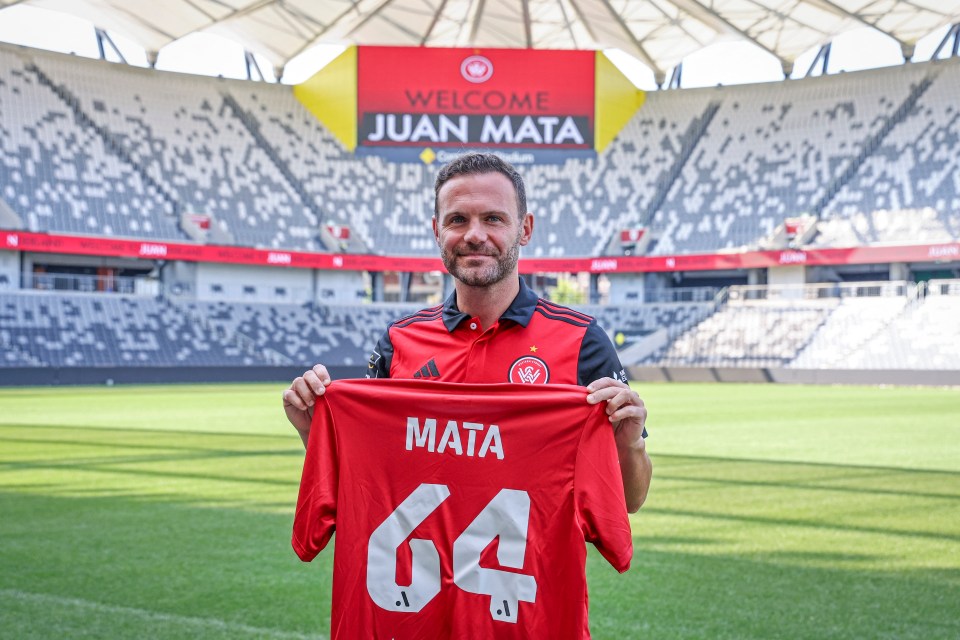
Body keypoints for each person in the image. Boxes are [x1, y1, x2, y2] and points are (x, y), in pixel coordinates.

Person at [283, 152, 651, 512]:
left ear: (524, 229)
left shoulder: (582, 341)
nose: (475, 235)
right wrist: (311, 431)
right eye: (457, 219)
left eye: (493, 218)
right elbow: (362, 476)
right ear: (436, 230)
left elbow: (630, 501)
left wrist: (630, 444)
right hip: (413, 573)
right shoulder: (397, 343)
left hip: (537, 575)